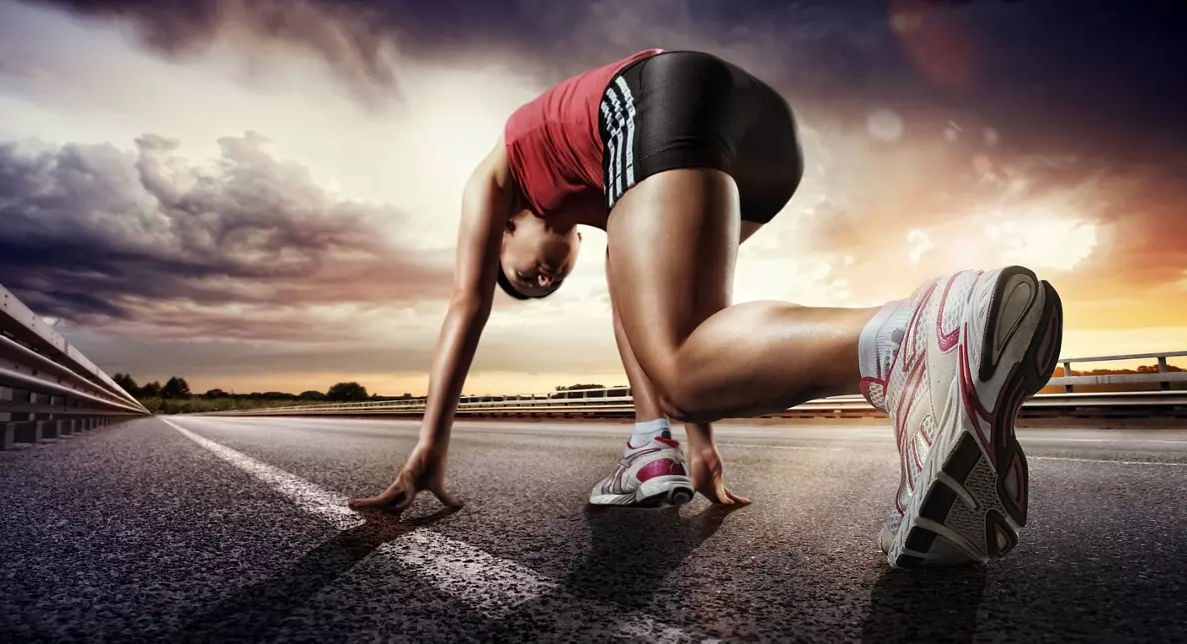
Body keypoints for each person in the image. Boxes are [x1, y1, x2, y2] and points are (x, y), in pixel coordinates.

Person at [349, 48, 1064, 568]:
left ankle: (915, 336)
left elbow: (465, 304)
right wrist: (699, 442)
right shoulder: (609, 197)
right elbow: (642, 319)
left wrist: (429, 445)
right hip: (762, 141)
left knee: (685, 359)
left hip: (663, 93)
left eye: (528, 276)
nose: (541, 276)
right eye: (542, 288)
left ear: (506, 231)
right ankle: (652, 447)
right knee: (676, 335)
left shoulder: (496, 176)